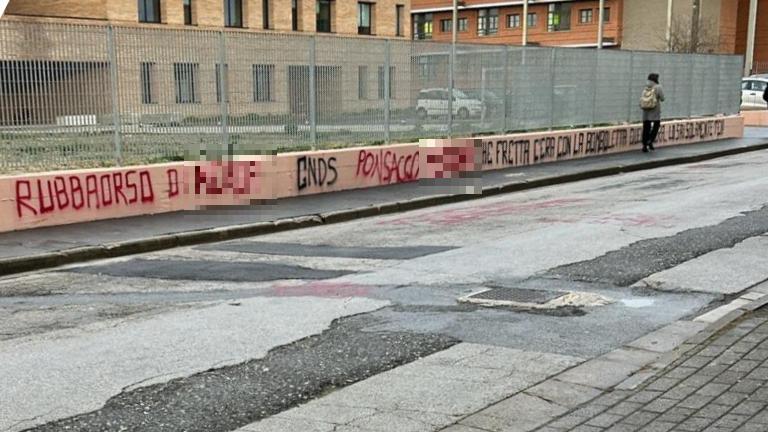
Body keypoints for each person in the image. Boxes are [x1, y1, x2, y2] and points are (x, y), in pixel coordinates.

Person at [640, 73, 665, 153]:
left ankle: (644, 145)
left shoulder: (646, 87)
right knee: (656, 126)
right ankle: (650, 140)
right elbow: (662, 98)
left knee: (646, 128)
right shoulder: (658, 87)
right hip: (654, 111)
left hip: (646, 111)